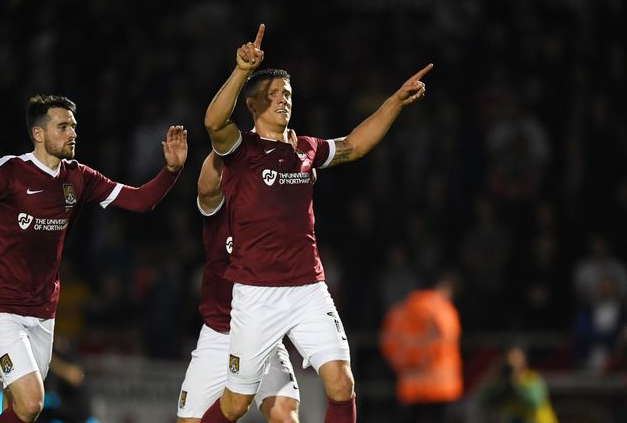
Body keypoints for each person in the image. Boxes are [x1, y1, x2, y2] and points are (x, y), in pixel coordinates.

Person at [200, 24, 432, 423]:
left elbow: (355, 144)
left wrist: (394, 101)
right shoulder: (242, 150)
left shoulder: (305, 148)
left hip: (308, 288)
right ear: (252, 104)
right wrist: (240, 71)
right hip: (256, 293)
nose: (282, 100)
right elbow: (213, 123)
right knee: (236, 404)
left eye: (287, 94)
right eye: (272, 95)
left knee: (342, 383)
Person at [0, 95, 187, 423]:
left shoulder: (79, 177)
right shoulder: (11, 170)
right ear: (39, 134)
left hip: (43, 310)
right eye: (63, 126)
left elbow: (139, 201)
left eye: (74, 126)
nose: (72, 133)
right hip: (1, 305)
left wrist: (170, 171)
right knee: (31, 404)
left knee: (15, 407)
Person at [178, 150, 301, 423]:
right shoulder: (219, 210)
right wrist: (221, 141)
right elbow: (205, 188)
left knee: (285, 416)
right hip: (219, 332)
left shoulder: (273, 215)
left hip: (261, 331)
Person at [379, 269, 463, 423]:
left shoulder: (401, 311)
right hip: (441, 385)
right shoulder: (444, 310)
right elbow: (448, 338)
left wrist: (406, 363)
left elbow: (389, 343)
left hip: (411, 384)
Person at [478, 345, 558, 423]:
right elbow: (484, 400)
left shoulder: (532, 379)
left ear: (523, 362)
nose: (513, 364)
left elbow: (535, 402)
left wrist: (516, 385)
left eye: (516, 359)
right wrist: (501, 385)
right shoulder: (502, 383)